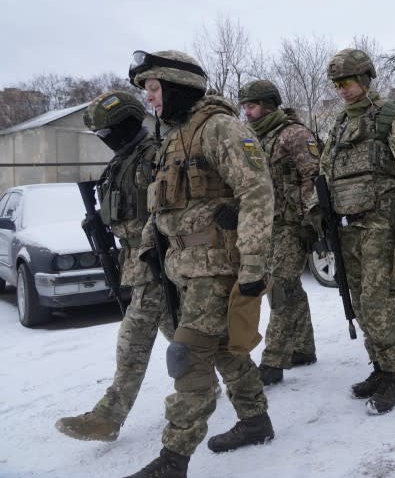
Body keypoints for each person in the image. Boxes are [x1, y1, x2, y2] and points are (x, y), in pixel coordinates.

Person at [124, 50, 274, 478]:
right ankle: (255, 420)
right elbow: (162, 208)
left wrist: (252, 265)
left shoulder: (220, 128)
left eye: (153, 88)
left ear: (174, 86)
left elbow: (257, 193)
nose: (150, 98)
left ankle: (173, 460)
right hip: (182, 266)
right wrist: (151, 249)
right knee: (226, 350)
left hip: (216, 266)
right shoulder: (173, 136)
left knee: (188, 356)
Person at [55, 91, 176, 442]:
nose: (104, 140)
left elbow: (167, 211)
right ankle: (230, 378)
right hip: (135, 260)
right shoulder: (123, 160)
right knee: (179, 329)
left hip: (156, 260)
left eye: (107, 132)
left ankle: (108, 416)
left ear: (124, 126)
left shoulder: (154, 155)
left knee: (133, 337)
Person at [320, 48, 395, 414]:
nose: (343, 90)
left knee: (379, 302)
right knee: (358, 301)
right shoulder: (339, 124)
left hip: (381, 224)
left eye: (348, 82)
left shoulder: (389, 116)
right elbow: (326, 171)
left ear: (366, 79)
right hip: (347, 226)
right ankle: (379, 366)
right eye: (338, 84)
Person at [238, 79, 319, 386]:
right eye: (245, 106)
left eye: (253, 106)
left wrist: (309, 219)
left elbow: (313, 176)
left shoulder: (293, 134)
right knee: (288, 286)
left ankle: (274, 360)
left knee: (280, 287)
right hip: (265, 226)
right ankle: (303, 347)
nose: (247, 112)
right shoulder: (250, 138)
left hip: (291, 224)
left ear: (269, 104)